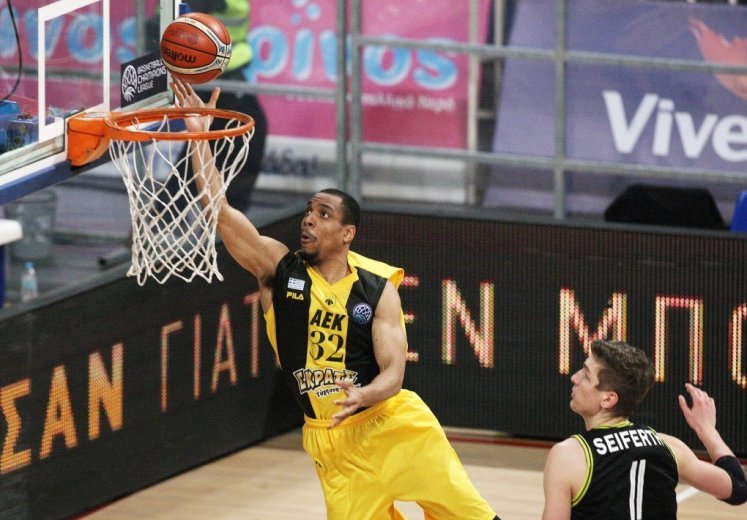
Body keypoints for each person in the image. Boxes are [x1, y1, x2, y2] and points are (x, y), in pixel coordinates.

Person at [171, 78, 500, 520]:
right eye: (309, 210)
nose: (308, 219)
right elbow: (221, 213)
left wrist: (365, 394)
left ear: (347, 234)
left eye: (323, 214)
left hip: (393, 427)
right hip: (330, 439)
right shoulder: (278, 269)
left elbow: (394, 372)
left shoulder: (377, 286)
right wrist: (198, 137)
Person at [542, 339, 747, 519]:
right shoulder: (669, 446)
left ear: (608, 399)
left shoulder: (568, 455)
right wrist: (707, 430)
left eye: (586, 375)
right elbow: (738, 488)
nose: (575, 378)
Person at [163, 0, 268, 214]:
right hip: (205, 68)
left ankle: (167, 213)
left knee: (210, 143)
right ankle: (170, 213)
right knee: (239, 134)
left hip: (218, 69)